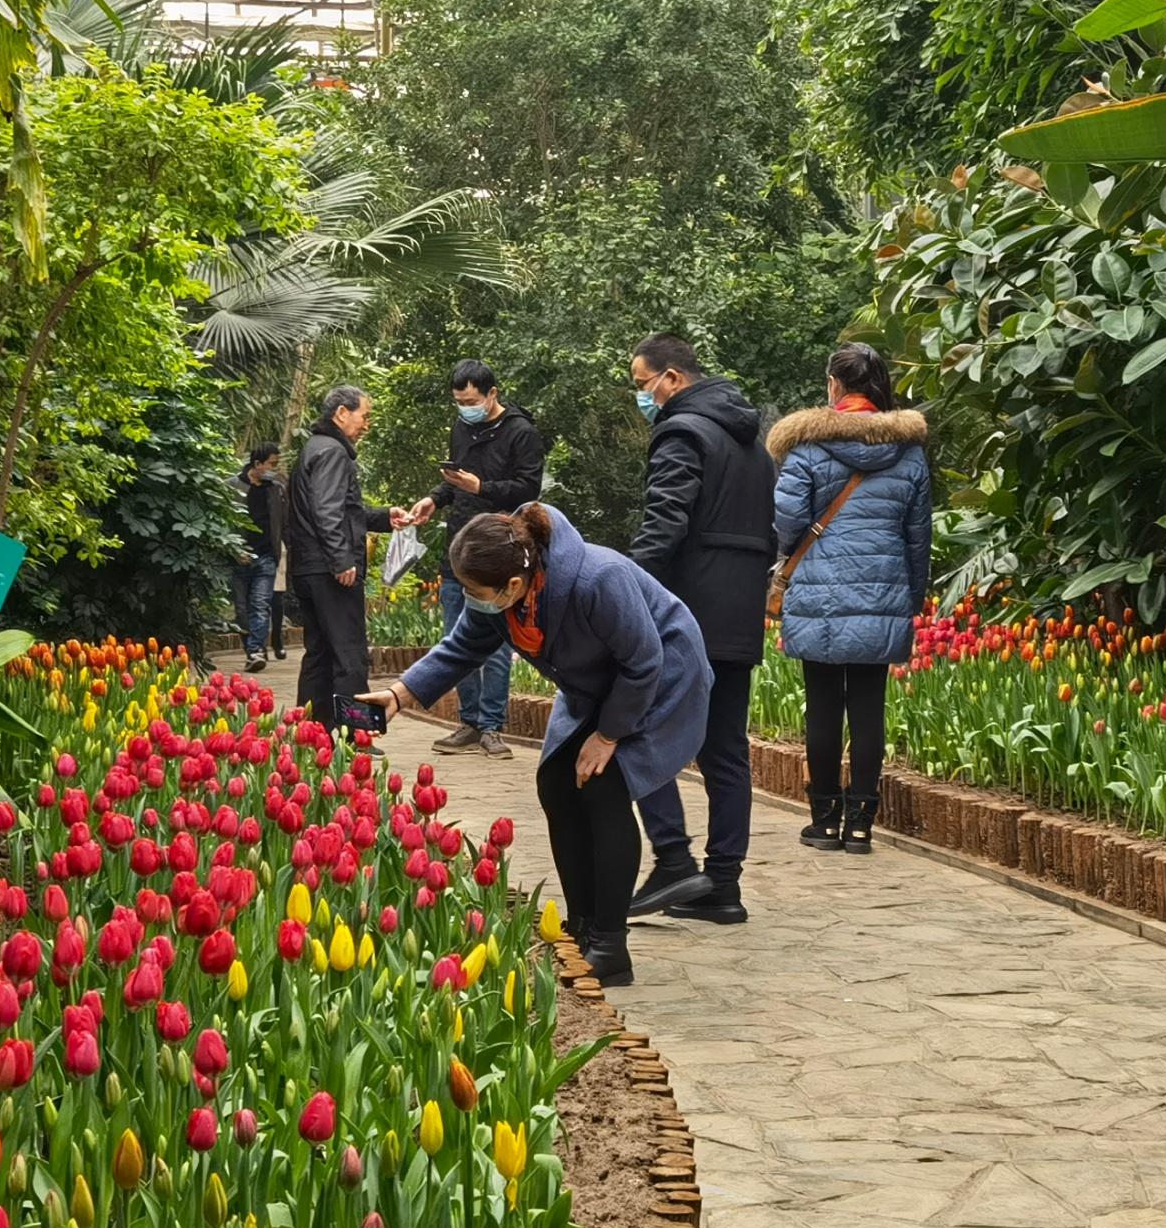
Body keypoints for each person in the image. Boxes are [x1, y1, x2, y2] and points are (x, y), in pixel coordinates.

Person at [377, 506, 707, 987]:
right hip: (594, 686)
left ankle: (611, 947)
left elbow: (643, 661)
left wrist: (607, 735)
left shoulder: (598, 579)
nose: (470, 598)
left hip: (660, 678)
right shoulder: (506, 594)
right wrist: (398, 694)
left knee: (601, 784)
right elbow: (463, 646)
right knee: (556, 783)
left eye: (475, 591)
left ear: (513, 584)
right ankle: (581, 930)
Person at [622, 333, 770, 925]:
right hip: (738, 613)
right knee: (727, 752)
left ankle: (675, 860)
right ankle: (723, 888)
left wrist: (625, 586)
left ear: (673, 378)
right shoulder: (753, 443)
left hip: (687, 615)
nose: (642, 396)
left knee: (635, 729)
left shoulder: (683, 433)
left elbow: (666, 519)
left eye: (642, 384)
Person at [768, 342, 934, 855]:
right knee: (868, 709)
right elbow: (918, 535)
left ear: (835, 385)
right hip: (883, 590)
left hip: (818, 590)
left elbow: (788, 522)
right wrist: (912, 594)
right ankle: (861, 825)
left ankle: (823, 820)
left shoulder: (807, 449)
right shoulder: (908, 453)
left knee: (821, 706)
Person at [422, 362, 544, 757]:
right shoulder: (462, 427)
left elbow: (529, 489)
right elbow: (456, 477)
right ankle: (468, 723)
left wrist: (483, 487)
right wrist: (435, 498)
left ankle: (493, 725)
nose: (464, 408)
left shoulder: (520, 432)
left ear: (492, 394)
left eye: (471, 401)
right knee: (454, 639)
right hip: (459, 544)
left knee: (493, 644)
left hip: (498, 549)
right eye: (459, 402)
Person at [287, 388, 390, 731]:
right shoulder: (332, 452)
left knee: (319, 653)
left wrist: (389, 517)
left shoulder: (315, 448)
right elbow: (327, 512)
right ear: (342, 413)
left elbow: (346, 511)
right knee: (350, 655)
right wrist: (342, 560)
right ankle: (355, 733)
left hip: (309, 568)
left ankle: (313, 732)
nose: (367, 425)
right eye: (365, 415)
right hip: (331, 571)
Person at [233, 442, 285, 671]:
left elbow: (285, 521)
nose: (275, 469)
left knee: (260, 604)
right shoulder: (232, 487)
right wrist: (235, 550)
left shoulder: (275, 488)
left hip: (266, 556)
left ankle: (255, 651)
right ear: (257, 464)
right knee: (241, 609)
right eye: (271, 464)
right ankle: (251, 648)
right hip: (238, 558)